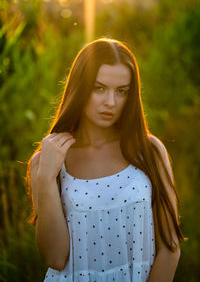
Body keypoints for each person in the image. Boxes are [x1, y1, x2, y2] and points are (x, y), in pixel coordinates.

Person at [26, 38, 186, 282]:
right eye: (99, 88)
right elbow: (55, 258)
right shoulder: (47, 161)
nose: (110, 102)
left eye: (121, 91)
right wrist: (46, 178)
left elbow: (170, 246)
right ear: (80, 88)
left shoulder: (149, 151)